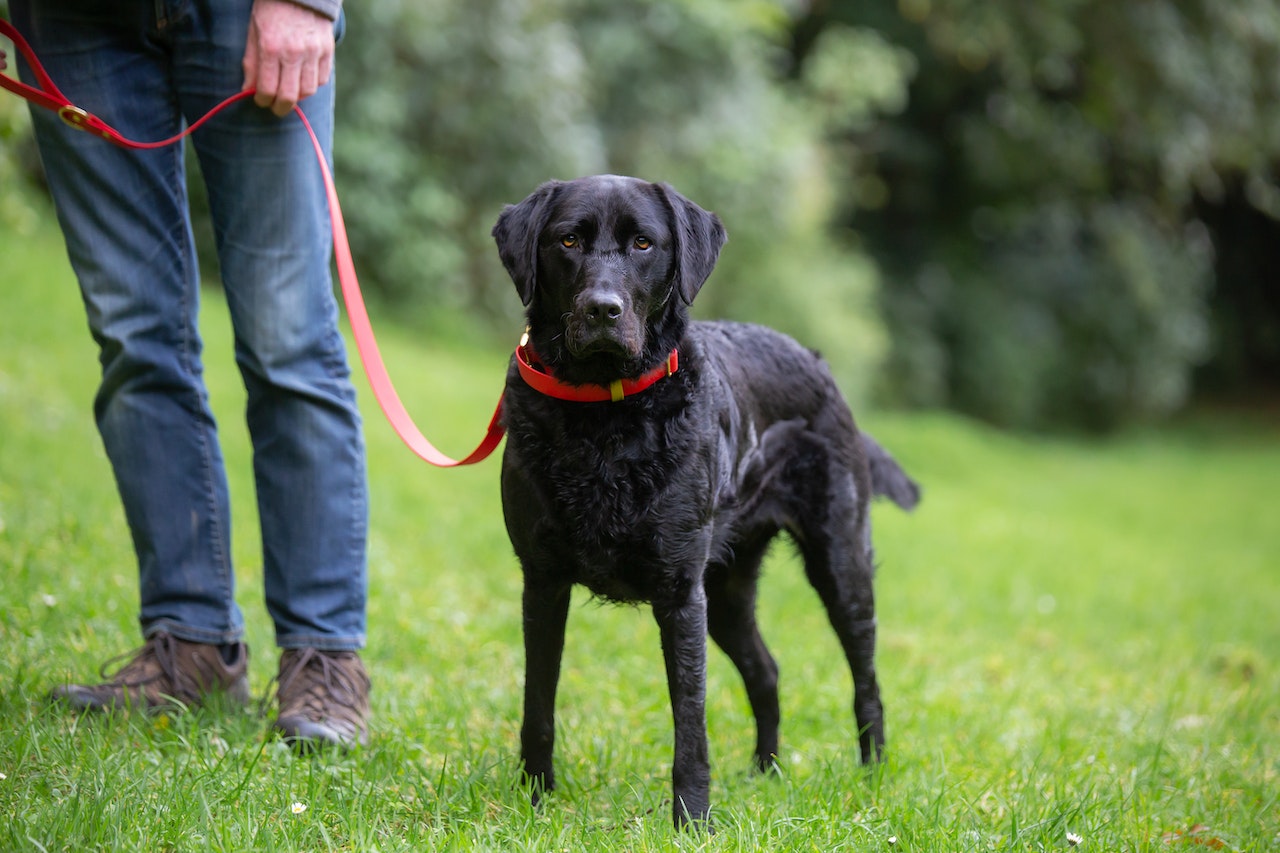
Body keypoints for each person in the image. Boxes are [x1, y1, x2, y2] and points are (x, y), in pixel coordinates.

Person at [3, 0, 372, 749]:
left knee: (289, 341)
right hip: (67, 19)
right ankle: (190, 643)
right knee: (133, 335)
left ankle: (325, 658)